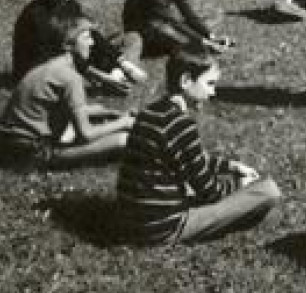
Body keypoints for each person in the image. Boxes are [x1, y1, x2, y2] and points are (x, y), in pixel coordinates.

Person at [115, 50, 283, 247]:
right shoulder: (181, 124)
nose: (213, 92)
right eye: (209, 84)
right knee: (268, 192)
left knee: (249, 197)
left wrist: (231, 167)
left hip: (130, 219)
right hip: (161, 229)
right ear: (186, 81)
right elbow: (210, 193)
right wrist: (241, 185)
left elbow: (187, 159)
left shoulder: (151, 112)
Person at [0, 10, 135, 169]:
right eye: (87, 37)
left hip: (7, 145)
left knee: (92, 122)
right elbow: (86, 134)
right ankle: (55, 155)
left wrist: (109, 112)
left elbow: (60, 108)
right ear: (68, 45)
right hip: (33, 154)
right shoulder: (70, 78)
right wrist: (124, 122)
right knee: (124, 139)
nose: (92, 43)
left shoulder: (47, 67)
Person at [12, 0, 144, 91]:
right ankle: (111, 81)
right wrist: (102, 76)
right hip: (46, 71)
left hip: (79, 58)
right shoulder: (36, 16)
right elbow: (59, 59)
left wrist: (122, 63)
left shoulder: (68, 3)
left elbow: (92, 35)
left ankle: (118, 74)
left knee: (132, 38)